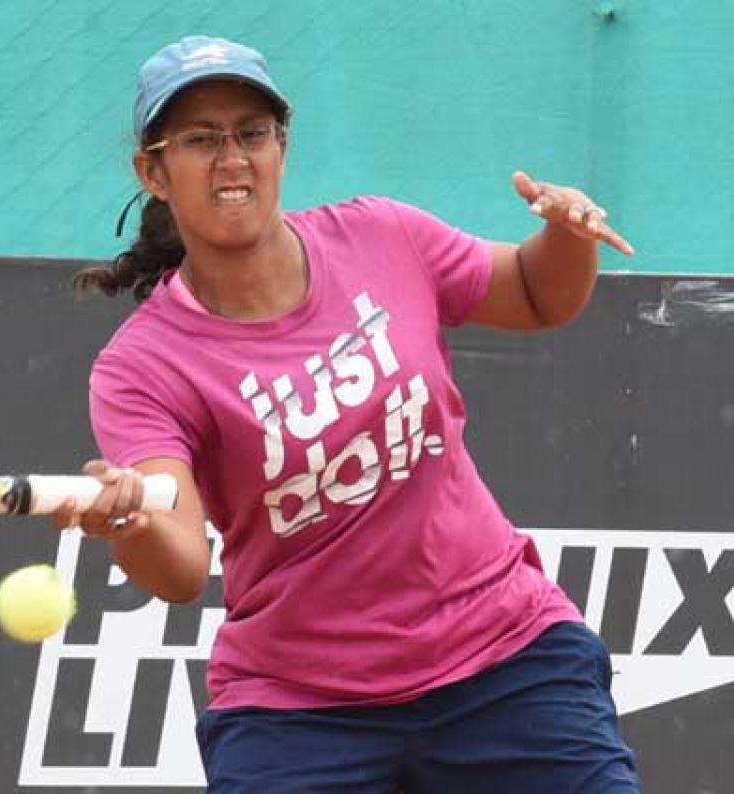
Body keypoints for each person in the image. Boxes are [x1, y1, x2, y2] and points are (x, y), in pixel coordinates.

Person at [53, 35, 641, 793]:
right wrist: (128, 522)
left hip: (502, 658)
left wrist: (565, 235)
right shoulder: (143, 367)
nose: (232, 158)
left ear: (281, 146)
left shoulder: (381, 236)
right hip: (300, 710)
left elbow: (535, 292)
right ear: (153, 171)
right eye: (200, 139)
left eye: (251, 133)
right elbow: (181, 567)